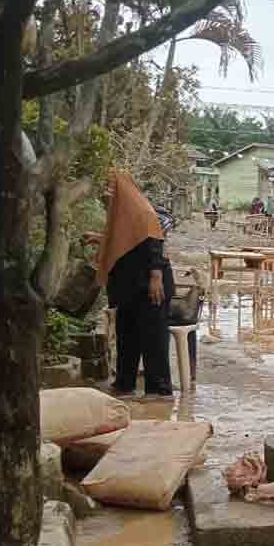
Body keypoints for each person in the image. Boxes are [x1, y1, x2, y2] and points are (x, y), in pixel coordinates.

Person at [98, 170, 175, 397]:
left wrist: (155, 277)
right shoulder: (121, 216)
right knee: (126, 336)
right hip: (130, 287)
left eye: (110, 187)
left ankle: (158, 390)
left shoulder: (142, 212)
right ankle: (124, 384)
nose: (106, 192)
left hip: (151, 287)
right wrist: (98, 239)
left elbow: (154, 244)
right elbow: (124, 243)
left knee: (153, 339)